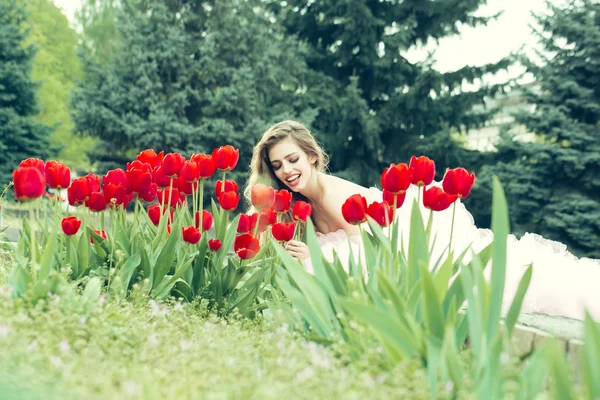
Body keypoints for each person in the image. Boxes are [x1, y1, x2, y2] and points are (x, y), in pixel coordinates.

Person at [246, 120, 600, 321]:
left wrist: (314, 259)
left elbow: (372, 256)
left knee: (513, 281)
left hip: (415, 255)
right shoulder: (297, 204)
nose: (286, 171)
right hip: (389, 261)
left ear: (311, 156)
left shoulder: (335, 196)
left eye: (292, 159)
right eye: (277, 167)